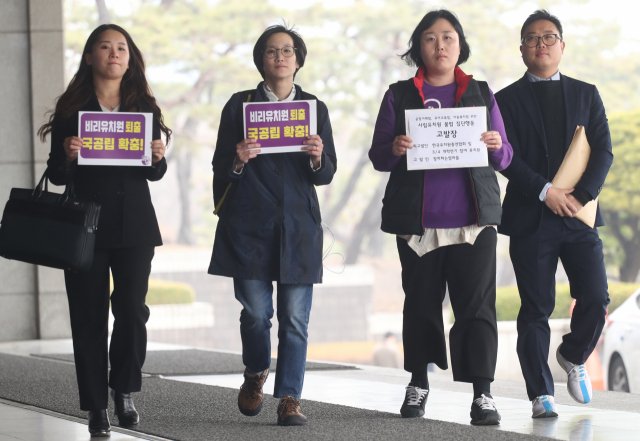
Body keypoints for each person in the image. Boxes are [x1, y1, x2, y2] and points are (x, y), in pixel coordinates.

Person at [369, 9, 512, 426]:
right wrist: (395, 147)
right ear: (418, 48)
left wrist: (494, 144)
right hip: (418, 224)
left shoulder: (481, 93)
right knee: (420, 306)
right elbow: (378, 156)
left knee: (477, 308)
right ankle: (418, 383)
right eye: (430, 39)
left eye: (448, 37)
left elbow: (505, 157)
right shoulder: (399, 94)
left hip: (473, 222)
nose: (440, 45)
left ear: (460, 45)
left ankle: (482, 394)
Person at [39, 24, 170, 437]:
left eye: (121, 48)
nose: (114, 53)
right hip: (84, 226)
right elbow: (56, 177)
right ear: (91, 57)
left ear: (129, 59)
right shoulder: (71, 110)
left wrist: (157, 156)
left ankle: (124, 390)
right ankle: (96, 407)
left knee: (132, 311)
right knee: (88, 317)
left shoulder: (143, 107)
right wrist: (66, 155)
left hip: (134, 226)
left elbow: (155, 173)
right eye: (105, 47)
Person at [208, 24, 337, 426]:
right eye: (271, 51)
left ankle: (290, 398)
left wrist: (317, 156)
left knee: (296, 319)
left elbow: (327, 172)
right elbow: (219, 167)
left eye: (287, 50)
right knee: (255, 314)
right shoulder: (238, 105)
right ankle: (256, 370)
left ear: (298, 59)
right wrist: (237, 158)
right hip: (248, 226)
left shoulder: (314, 107)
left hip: (298, 225)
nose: (280, 57)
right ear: (260, 60)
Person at [495, 10, 612, 418]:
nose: (541, 44)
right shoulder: (504, 100)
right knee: (535, 308)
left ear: (562, 45)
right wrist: (545, 191)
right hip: (531, 216)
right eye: (531, 38)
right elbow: (504, 157)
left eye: (549, 37)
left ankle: (574, 354)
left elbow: (603, 151)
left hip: (578, 216)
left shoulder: (587, 93)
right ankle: (539, 393)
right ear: (522, 48)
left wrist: (578, 197)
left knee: (596, 297)